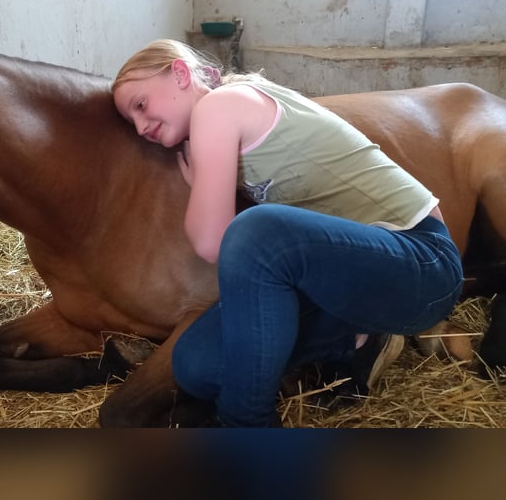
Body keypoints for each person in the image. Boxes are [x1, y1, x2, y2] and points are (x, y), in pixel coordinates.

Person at [111, 39, 464, 427]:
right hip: (354, 285)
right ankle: (362, 337)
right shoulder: (221, 123)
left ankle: (249, 428)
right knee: (196, 362)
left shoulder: (220, 105)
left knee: (256, 230)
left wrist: (202, 188)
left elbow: (213, 242)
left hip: (421, 260)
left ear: (180, 74)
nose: (141, 126)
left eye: (141, 105)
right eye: (131, 121)